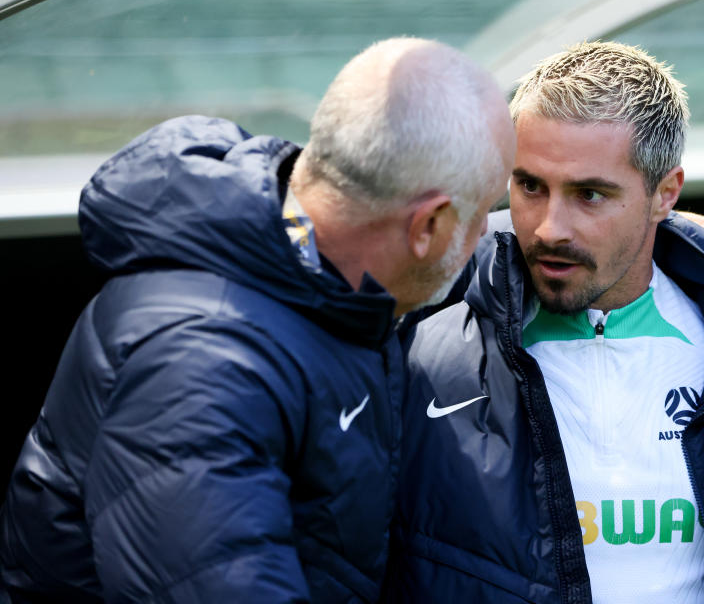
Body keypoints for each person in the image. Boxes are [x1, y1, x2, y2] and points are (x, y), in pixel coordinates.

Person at [385, 42, 704, 603]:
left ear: (666, 194)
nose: (548, 228)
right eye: (531, 186)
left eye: (590, 194)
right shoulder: (417, 364)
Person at [0, 37, 513, 603]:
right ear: (427, 227)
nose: (487, 235)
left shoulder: (321, 259)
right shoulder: (202, 374)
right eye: (485, 211)